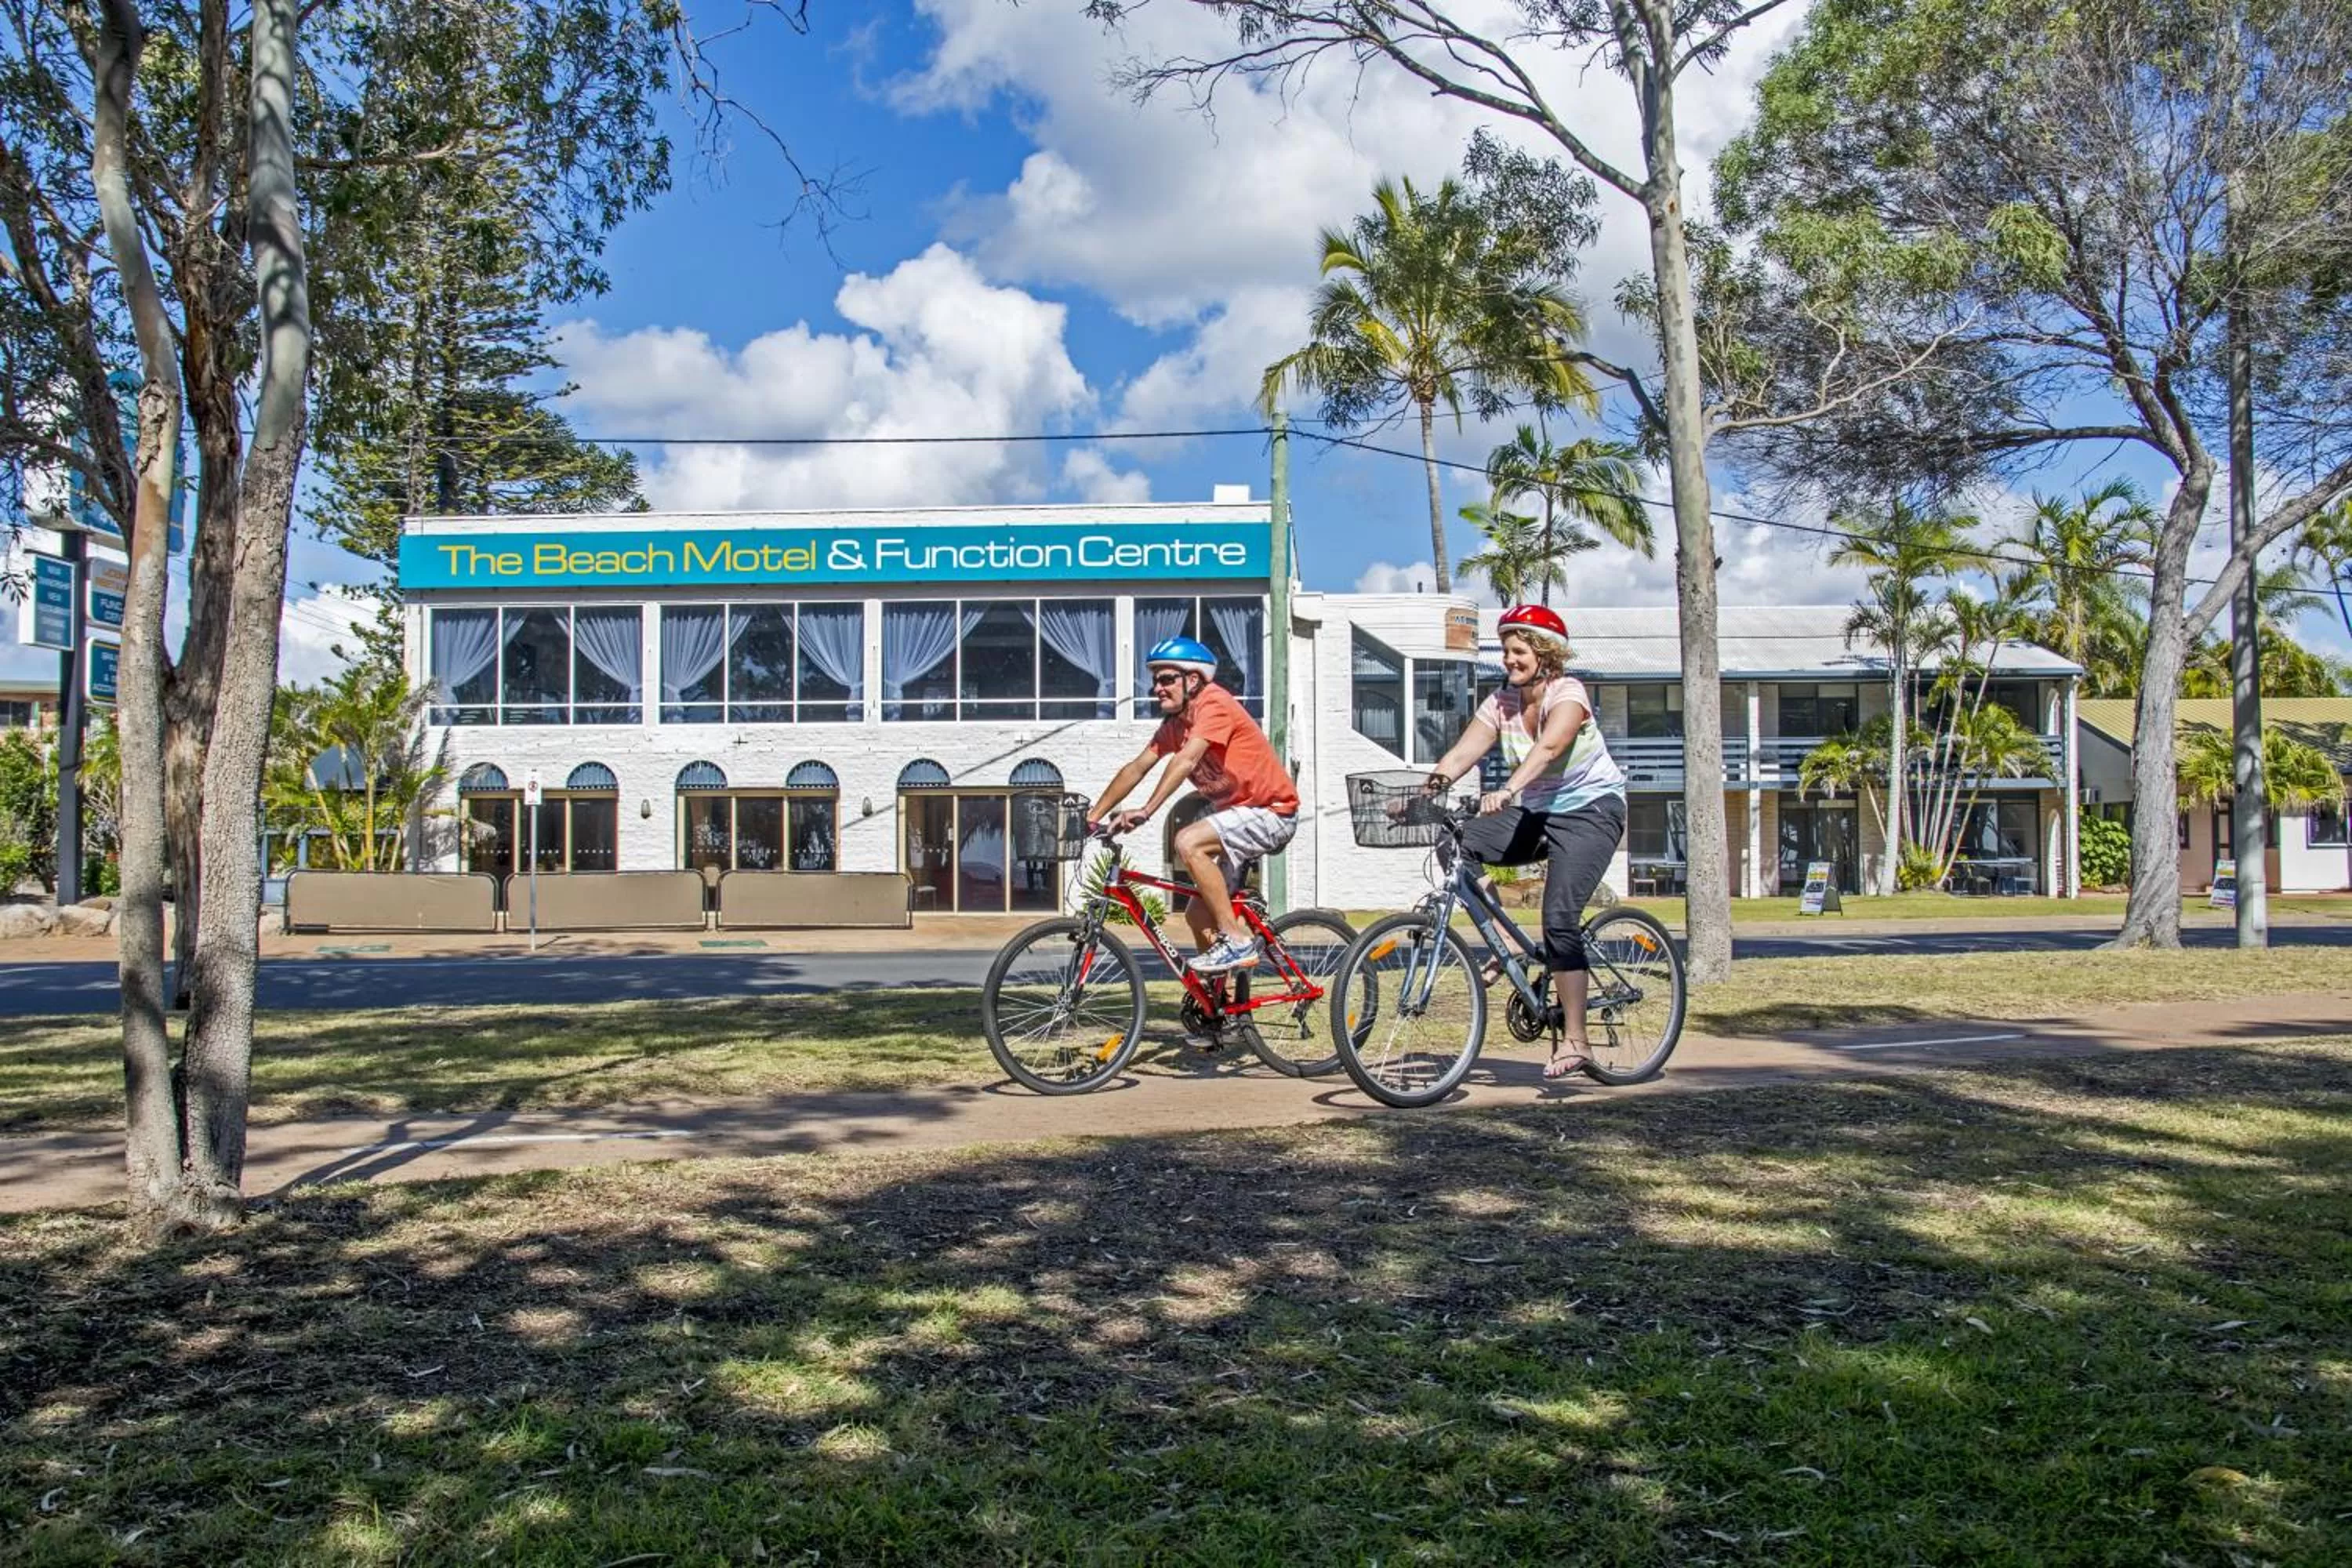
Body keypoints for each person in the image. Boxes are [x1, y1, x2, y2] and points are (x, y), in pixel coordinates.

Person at [1421, 604, 1628, 1080]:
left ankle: (1578, 1041)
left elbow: (1550, 747)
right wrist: (1425, 792)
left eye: (1519, 651)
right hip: (1536, 811)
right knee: (1456, 842)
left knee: (1559, 918)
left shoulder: (1568, 693)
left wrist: (1510, 789)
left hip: (1590, 811)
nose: (1510, 660)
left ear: (1545, 655)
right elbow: (1465, 750)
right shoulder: (1500, 702)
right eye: (1507, 651)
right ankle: (1504, 945)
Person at [1088, 635, 1299, 973]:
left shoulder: (1214, 704)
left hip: (1271, 812)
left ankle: (1237, 940)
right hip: (1239, 817)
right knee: (1198, 914)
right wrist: (1092, 818)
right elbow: (1137, 767)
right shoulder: (1175, 726)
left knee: (1188, 841)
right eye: (1154, 679)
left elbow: (1186, 761)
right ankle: (1223, 1011)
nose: (1157, 687)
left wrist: (1146, 810)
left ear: (1193, 679)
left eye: (1166, 678)